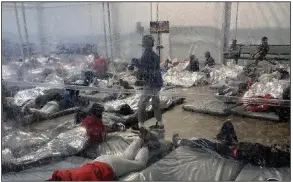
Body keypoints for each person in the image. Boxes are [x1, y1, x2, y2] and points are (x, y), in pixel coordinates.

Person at [48, 128, 154, 181]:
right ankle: (140, 139)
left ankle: (146, 145)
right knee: (126, 158)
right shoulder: (59, 176)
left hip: (109, 167)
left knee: (139, 164)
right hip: (100, 161)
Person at [172, 121, 290, 168]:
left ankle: (179, 142)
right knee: (228, 124)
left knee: (203, 142)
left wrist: (234, 150)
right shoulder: (284, 153)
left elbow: (258, 157)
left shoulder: (282, 158)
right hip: (238, 147)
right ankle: (217, 141)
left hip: (234, 152)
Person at [130, 35, 164, 130]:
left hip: (151, 83)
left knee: (141, 104)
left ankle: (140, 125)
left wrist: (133, 62)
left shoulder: (146, 54)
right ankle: (160, 124)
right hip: (157, 82)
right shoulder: (154, 55)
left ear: (144, 44)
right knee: (155, 104)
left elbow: (143, 66)